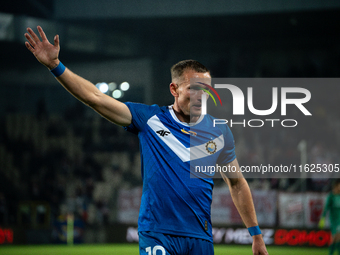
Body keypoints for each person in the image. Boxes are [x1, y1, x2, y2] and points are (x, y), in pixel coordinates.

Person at [24, 26, 268, 255]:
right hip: (157, 234)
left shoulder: (219, 132)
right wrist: (56, 65)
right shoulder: (149, 119)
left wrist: (255, 234)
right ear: (174, 89)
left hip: (200, 237)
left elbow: (237, 184)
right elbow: (95, 98)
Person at [319, 179, 340, 255]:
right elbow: (326, 208)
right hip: (334, 220)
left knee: (337, 238)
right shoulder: (331, 197)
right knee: (335, 238)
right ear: (336, 186)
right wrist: (322, 218)